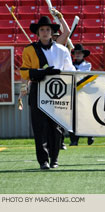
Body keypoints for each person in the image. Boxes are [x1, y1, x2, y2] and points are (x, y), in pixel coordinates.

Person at [20, 12, 75, 170]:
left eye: (47, 29)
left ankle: (54, 158)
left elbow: (70, 71)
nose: (45, 32)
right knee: (39, 127)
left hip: (58, 92)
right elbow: (25, 72)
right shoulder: (29, 50)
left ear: (52, 32)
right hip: (38, 89)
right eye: (42, 30)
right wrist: (43, 72)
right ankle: (43, 160)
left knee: (56, 127)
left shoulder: (62, 50)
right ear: (38, 33)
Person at [69, 44, 95, 146]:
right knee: (73, 118)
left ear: (83, 54)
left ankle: (90, 136)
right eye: (76, 53)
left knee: (86, 116)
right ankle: (74, 140)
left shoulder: (87, 65)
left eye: (80, 53)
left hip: (84, 93)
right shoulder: (70, 65)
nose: (78, 54)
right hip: (73, 93)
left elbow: (80, 74)